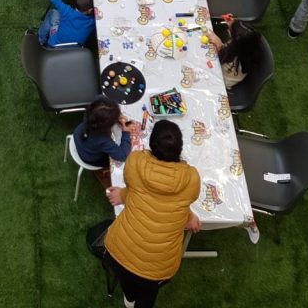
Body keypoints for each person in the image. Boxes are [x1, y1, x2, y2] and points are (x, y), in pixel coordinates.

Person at [104, 120, 201, 308]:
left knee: (127, 279)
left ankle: (129, 300)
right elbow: (181, 203)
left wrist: (122, 195)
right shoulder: (192, 178)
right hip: (158, 267)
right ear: (180, 147)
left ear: (151, 145)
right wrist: (190, 218)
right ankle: (133, 301)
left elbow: (135, 190)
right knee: (147, 294)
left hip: (119, 251)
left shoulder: (135, 161)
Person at [72, 98, 137, 184]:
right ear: (107, 127)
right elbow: (122, 155)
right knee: (116, 162)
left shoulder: (91, 116)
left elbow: (102, 105)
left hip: (79, 139)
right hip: (90, 158)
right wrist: (126, 132)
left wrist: (116, 116)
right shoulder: (102, 139)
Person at [208, 18, 266, 89]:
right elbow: (237, 42)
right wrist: (232, 24)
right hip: (226, 73)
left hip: (220, 82)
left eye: (231, 34)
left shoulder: (231, 60)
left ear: (234, 45)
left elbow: (216, 62)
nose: (228, 31)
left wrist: (219, 45)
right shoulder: (248, 50)